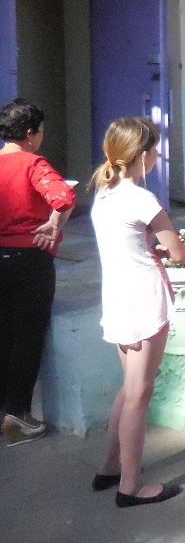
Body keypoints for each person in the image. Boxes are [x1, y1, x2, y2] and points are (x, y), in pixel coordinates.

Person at [90, 117, 185, 506]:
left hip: (116, 297)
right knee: (139, 395)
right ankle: (131, 485)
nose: (157, 155)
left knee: (129, 388)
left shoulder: (104, 193)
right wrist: (163, 248)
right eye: (155, 149)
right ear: (142, 155)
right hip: (144, 299)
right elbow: (179, 252)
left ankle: (111, 466)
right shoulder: (142, 199)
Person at [0, 99, 76, 447]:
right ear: (30, 133)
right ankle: (17, 415)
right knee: (27, 337)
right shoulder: (33, 163)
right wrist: (54, 223)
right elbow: (63, 196)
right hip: (29, 260)